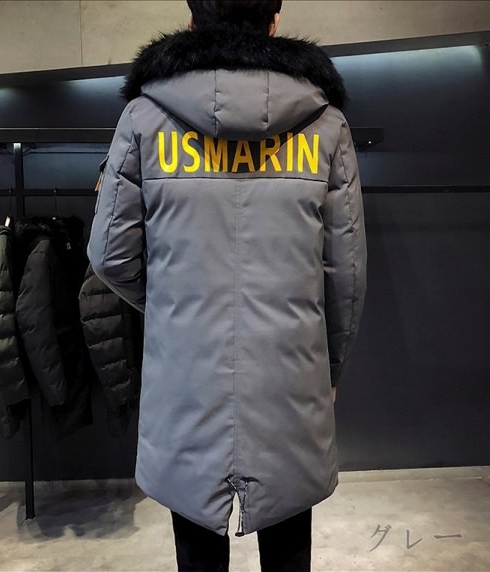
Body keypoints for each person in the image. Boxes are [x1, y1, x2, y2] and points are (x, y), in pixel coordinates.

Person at [88, 0, 367, 569]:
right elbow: (346, 274)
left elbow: (110, 256)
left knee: (196, 546)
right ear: (274, 22)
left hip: (187, 373)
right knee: (289, 541)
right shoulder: (326, 124)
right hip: (290, 373)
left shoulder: (145, 117)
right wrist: (329, 370)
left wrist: (170, 305)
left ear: (193, 22)